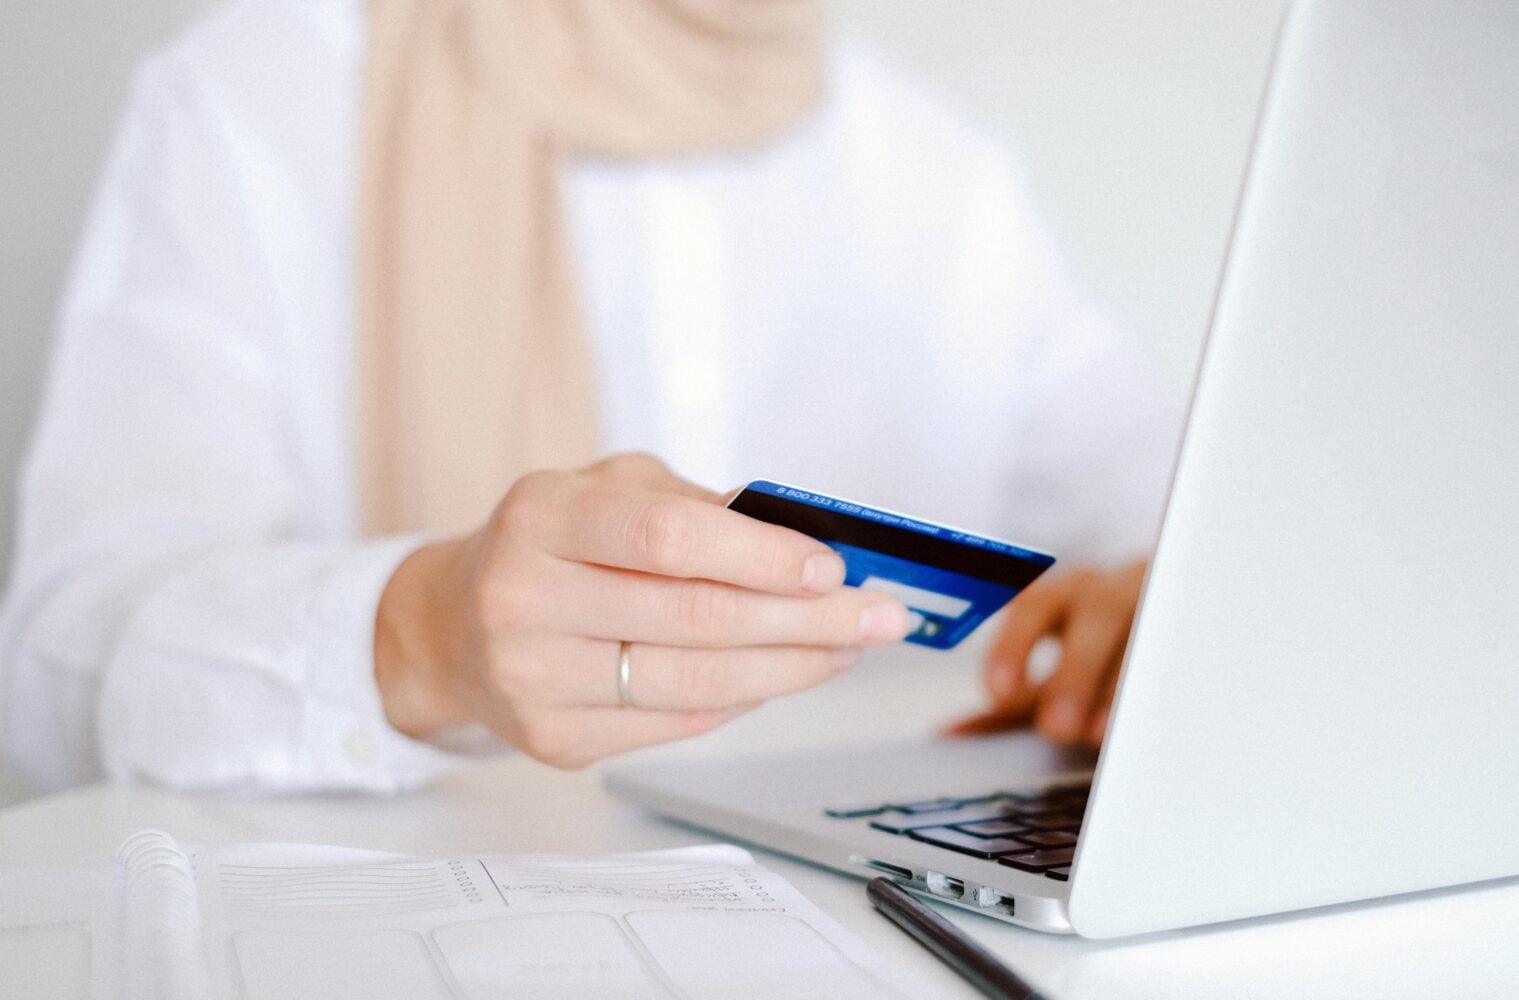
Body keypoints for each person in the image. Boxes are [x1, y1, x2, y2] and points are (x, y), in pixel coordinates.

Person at [0, 0, 1181, 794]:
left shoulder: (938, 172)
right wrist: (417, 632)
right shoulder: (256, 94)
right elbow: (53, 673)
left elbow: (1175, 506)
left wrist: (1164, 604)